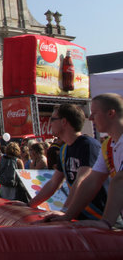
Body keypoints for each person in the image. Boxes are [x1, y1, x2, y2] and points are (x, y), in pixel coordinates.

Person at [45, 93, 123, 226]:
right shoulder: (108, 146)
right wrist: (67, 215)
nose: (90, 118)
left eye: (94, 113)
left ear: (111, 113)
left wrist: (106, 222)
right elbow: (92, 181)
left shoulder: (90, 145)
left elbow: (118, 180)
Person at [27, 104, 107, 219]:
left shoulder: (88, 145)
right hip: (79, 215)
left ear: (64, 122)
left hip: (98, 217)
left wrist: (65, 212)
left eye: (53, 119)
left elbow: (81, 181)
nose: (50, 123)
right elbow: (54, 183)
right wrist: (30, 204)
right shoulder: (64, 149)